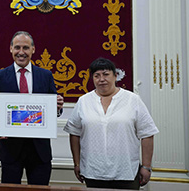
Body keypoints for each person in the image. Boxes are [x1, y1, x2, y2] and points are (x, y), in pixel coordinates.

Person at [63, 57, 159, 190]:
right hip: (93, 171)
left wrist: (146, 166)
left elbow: (147, 133)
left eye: (106, 74)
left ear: (115, 76)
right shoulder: (84, 101)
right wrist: (77, 163)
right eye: (97, 76)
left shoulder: (132, 100)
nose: (102, 79)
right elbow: (74, 133)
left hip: (126, 172)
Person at [0, 31, 64, 185]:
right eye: (17, 47)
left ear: (33, 50)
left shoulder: (45, 75)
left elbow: (55, 110)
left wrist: (57, 106)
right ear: (10, 49)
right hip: (10, 150)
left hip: (39, 151)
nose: (21, 52)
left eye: (25, 48)